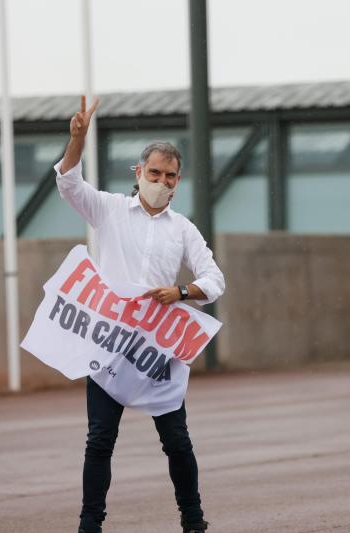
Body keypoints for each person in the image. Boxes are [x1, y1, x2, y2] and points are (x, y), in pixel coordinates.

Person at [55, 96, 224, 533]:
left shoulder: (183, 229)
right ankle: (90, 524)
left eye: (169, 176)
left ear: (178, 181)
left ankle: (193, 519)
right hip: (109, 346)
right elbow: (69, 184)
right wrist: (76, 139)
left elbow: (214, 279)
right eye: (154, 174)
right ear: (138, 173)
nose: (161, 182)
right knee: (99, 441)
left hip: (157, 350)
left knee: (177, 441)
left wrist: (183, 291)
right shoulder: (109, 210)